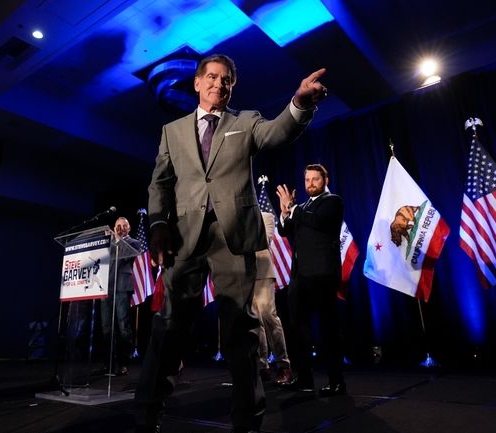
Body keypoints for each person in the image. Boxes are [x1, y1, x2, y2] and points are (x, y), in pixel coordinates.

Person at [135, 53, 328, 433]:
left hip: (235, 239)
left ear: (232, 86)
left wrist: (300, 103)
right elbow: (159, 183)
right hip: (184, 241)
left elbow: (278, 132)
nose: (218, 84)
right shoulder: (171, 131)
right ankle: (147, 416)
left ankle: (248, 423)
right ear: (196, 82)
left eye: (226, 80)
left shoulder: (246, 121)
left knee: (242, 333)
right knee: (169, 328)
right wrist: (158, 222)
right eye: (211, 77)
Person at [275, 164, 346, 397]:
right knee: (297, 329)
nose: (310, 184)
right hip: (300, 277)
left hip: (323, 275)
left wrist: (293, 208)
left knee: (328, 329)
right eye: (307, 179)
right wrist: (285, 212)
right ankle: (304, 379)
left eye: (315, 179)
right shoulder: (302, 207)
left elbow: (318, 221)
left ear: (325, 180)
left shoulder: (332, 201)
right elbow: (285, 231)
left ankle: (336, 382)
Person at [253, 212, 292, 384]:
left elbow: (263, 239)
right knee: (254, 321)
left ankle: (283, 364)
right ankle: (262, 366)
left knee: (268, 316)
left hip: (262, 271)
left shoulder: (266, 216)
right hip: (242, 275)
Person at [100, 217, 141, 376]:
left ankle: (124, 363)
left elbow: (125, 255)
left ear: (129, 228)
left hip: (123, 288)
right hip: (106, 287)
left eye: (124, 226)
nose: (121, 228)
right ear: (113, 227)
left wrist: (116, 239)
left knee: (123, 326)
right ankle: (108, 364)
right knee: (106, 327)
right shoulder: (108, 243)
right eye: (118, 226)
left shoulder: (133, 243)